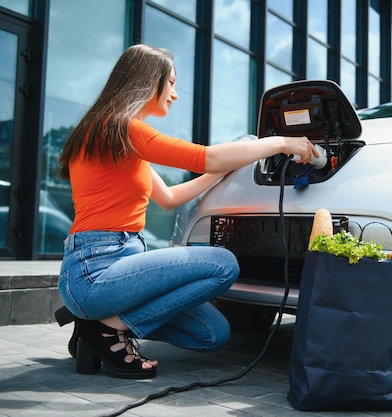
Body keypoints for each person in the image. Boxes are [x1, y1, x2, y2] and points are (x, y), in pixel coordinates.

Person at [55, 43, 318, 379]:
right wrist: (281, 142)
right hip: (96, 269)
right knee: (223, 264)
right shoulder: (122, 129)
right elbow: (206, 156)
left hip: (113, 269)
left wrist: (219, 174)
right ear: (150, 83)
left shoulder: (117, 139)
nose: (175, 95)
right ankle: (107, 329)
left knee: (211, 334)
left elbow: (167, 197)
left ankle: (99, 324)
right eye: (172, 84)